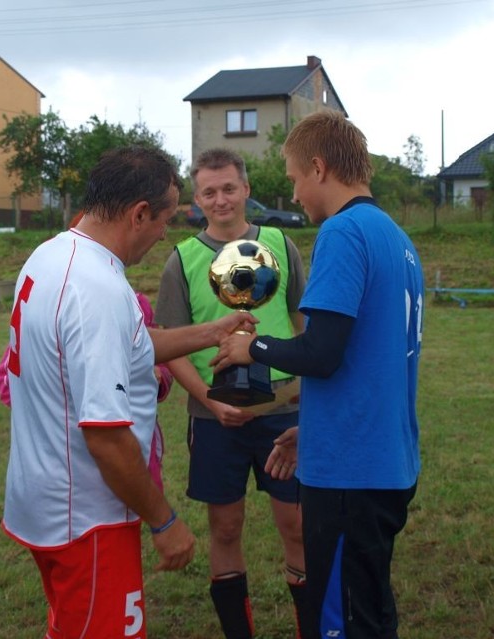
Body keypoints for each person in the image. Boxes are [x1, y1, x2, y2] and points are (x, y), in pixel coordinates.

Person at [1, 146, 257, 639]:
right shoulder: (97, 289)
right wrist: (164, 521)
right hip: (87, 518)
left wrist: (213, 330)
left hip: (43, 499)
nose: (165, 232)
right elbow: (106, 436)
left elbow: (132, 343)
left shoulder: (51, 254)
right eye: (164, 219)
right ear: (139, 213)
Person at [210, 111, 424, 639]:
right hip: (385, 457)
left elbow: (322, 351)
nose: (296, 194)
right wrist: (316, 428)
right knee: (371, 610)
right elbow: (370, 360)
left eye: (293, 178)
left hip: (353, 471)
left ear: (320, 168)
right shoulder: (396, 237)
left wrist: (249, 348)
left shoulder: (344, 232)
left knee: (345, 622)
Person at [154, 148, 310, 639]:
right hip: (213, 417)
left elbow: (307, 325)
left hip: (282, 411)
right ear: (196, 200)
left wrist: (301, 386)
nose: (220, 199)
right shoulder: (181, 260)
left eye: (228, 188)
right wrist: (207, 396)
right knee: (224, 528)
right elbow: (170, 344)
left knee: (299, 527)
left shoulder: (282, 245)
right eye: (208, 192)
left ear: (245, 190)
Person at [0, 212, 174, 490]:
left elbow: (153, 357)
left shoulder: (133, 302)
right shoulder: (67, 295)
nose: (163, 233)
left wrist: (156, 377)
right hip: (77, 473)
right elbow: (8, 379)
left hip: (137, 446)